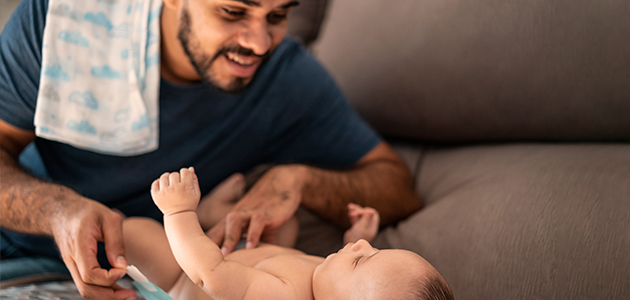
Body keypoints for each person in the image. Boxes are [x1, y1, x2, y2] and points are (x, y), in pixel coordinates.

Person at [0, 0, 422, 299]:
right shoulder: (59, 23)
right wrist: (59, 212)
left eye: (278, 15)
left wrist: (297, 179)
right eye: (233, 11)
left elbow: (397, 186)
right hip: (18, 245)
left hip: (146, 273)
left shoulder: (289, 81)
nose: (259, 43)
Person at [121, 167, 453, 300]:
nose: (363, 245)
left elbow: (210, 275)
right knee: (283, 223)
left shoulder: (282, 296)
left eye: (360, 261)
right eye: (374, 250)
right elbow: (346, 278)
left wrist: (178, 212)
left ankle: (198, 216)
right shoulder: (332, 285)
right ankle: (212, 214)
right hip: (249, 253)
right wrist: (352, 235)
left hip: (188, 276)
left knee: (137, 232)